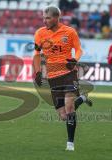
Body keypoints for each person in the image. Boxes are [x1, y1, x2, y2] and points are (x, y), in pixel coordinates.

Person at [33, 5, 92, 151]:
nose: (44, 21)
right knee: (63, 115)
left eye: (47, 18)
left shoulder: (69, 32)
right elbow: (36, 54)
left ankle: (70, 143)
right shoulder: (40, 33)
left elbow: (79, 49)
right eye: (43, 18)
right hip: (53, 77)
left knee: (69, 107)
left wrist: (75, 59)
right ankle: (82, 99)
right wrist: (37, 72)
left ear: (56, 18)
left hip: (68, 73)